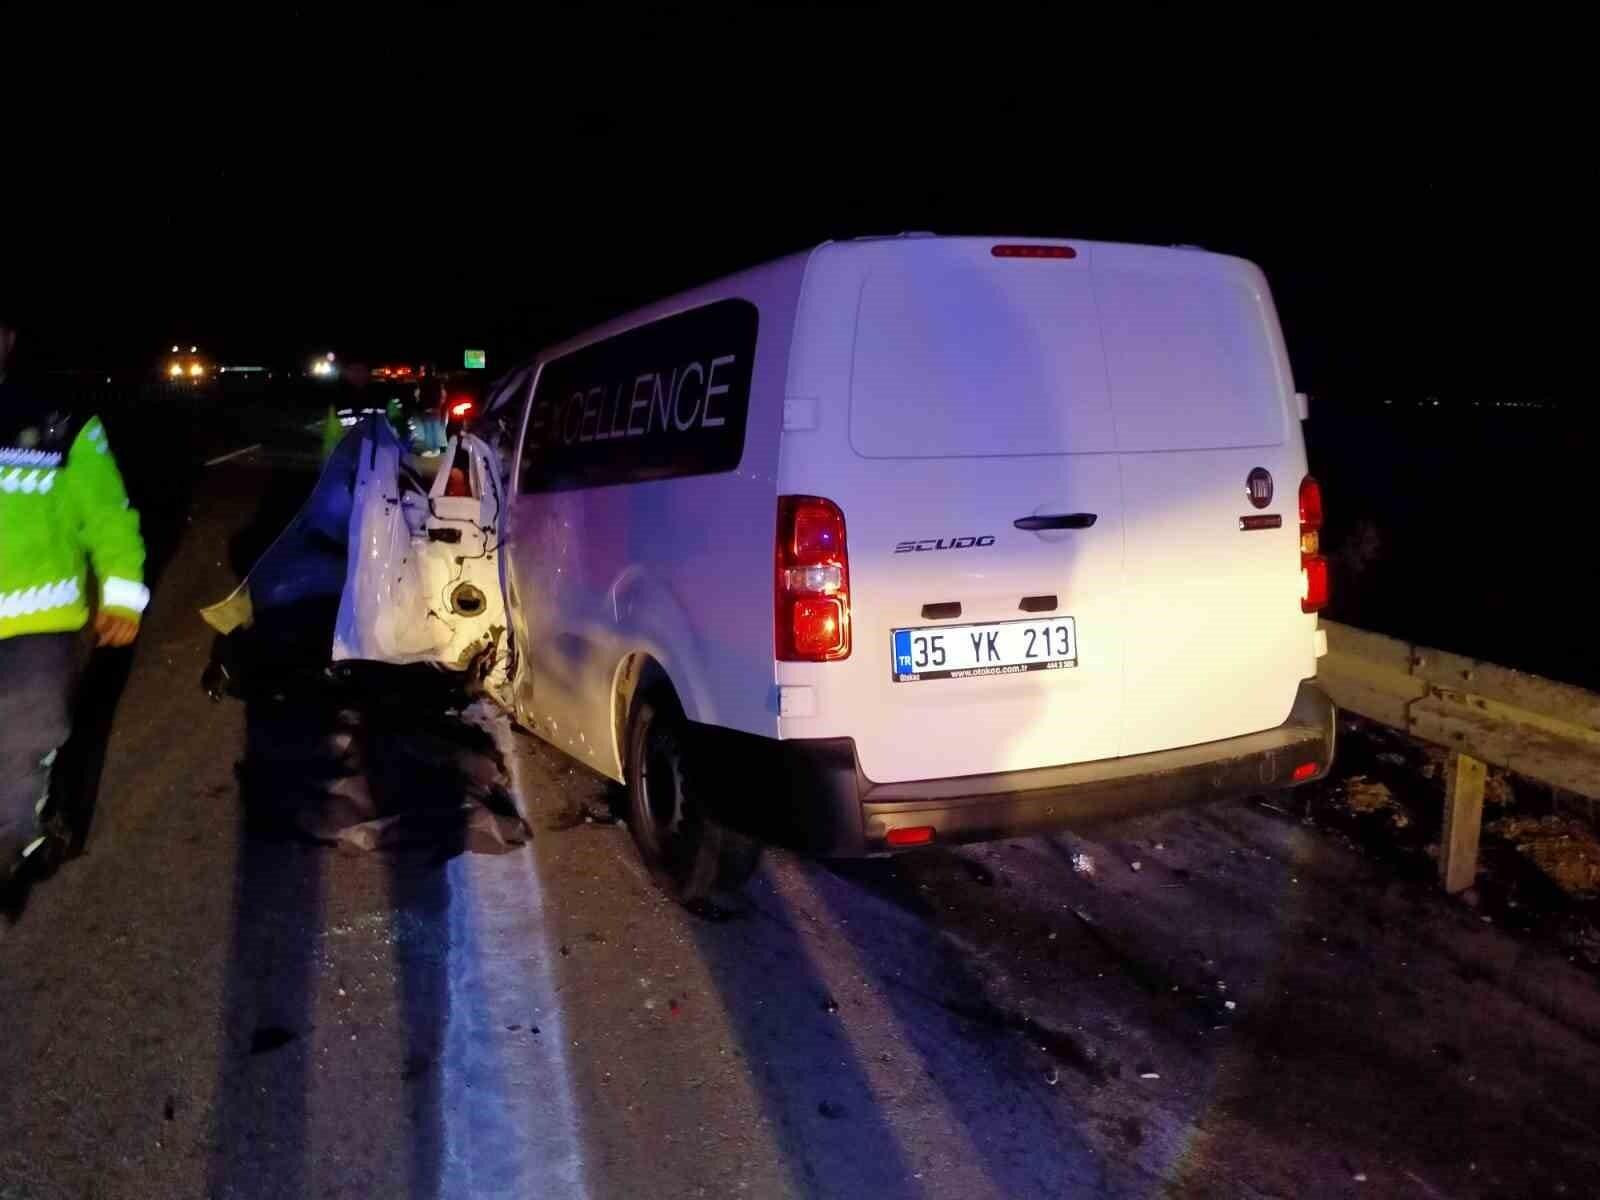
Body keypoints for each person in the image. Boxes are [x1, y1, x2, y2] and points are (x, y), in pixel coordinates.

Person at [0, 306, 148, 897]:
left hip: (35, 627)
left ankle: (9, 849)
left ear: (7, 339)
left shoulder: (61, 421)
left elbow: (107, 517)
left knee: (20, 745)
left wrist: (122, 597)